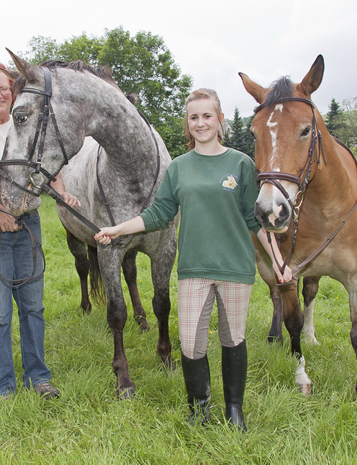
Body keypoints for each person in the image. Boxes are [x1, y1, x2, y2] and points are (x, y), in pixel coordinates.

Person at [95, 88, 291, 431]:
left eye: (207, 116)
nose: (201, 123)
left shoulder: (241, 164)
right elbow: (158, 213)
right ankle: (198, 409)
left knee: (234, 339)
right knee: (191, 341)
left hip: (234, 268)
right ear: (188, 124)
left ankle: (234, 410)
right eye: (194, 117)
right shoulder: (179, 168)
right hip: (193, 271)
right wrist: (117, 228)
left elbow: (253, 218)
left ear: (220, 120)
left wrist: (278, 261)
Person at [0, 61, 79, 398]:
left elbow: (45, 160)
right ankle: (1, 385)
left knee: (33, 306)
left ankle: (37, 377)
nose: (0, 94)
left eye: (4, 88)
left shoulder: (24, 121)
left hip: (28, 221)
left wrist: (61, 189)